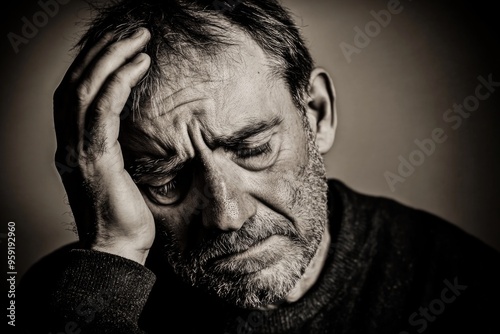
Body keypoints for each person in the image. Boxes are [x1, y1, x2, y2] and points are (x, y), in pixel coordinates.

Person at [17, 0, 500, 333]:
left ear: (317, 113)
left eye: (252, 149)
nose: (226, 215)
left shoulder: (461, 286)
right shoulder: (64, 299)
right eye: (165, 179)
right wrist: (111, 254)